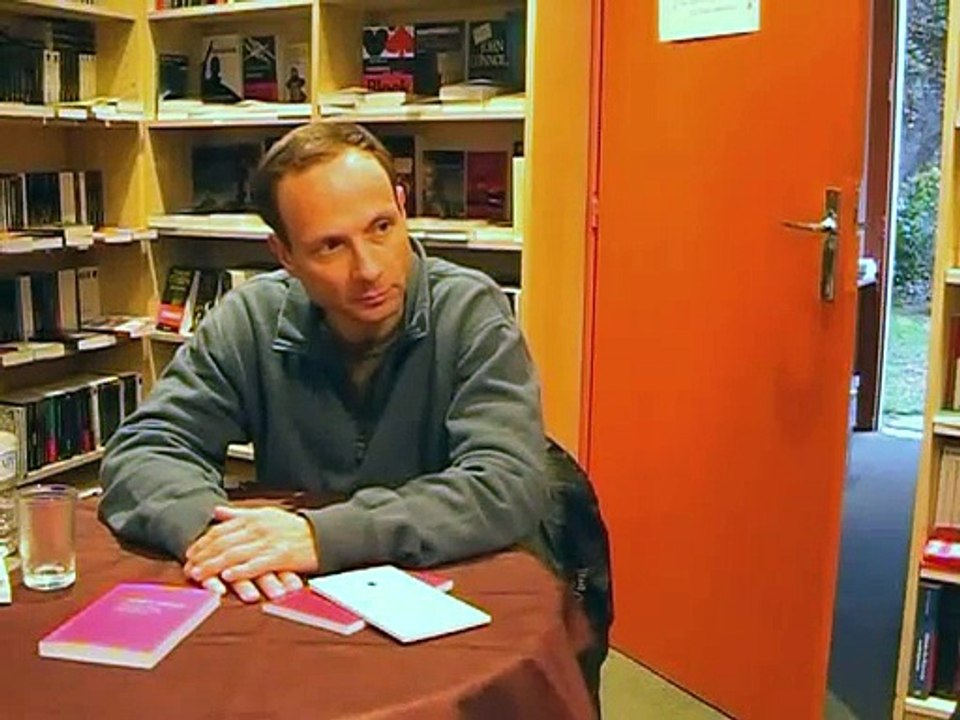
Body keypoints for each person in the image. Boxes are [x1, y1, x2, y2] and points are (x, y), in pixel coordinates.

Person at [98, 123, 548, 603]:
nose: (370, 270)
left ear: (402, 206)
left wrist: (322, 536)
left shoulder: (469, 312)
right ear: (284, 255)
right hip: (293, 595)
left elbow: (507, 483)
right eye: (331, 246)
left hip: (439, 596)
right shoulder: (252, 318)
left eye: (381, 228)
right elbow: (145, 450)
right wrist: (219, 534)